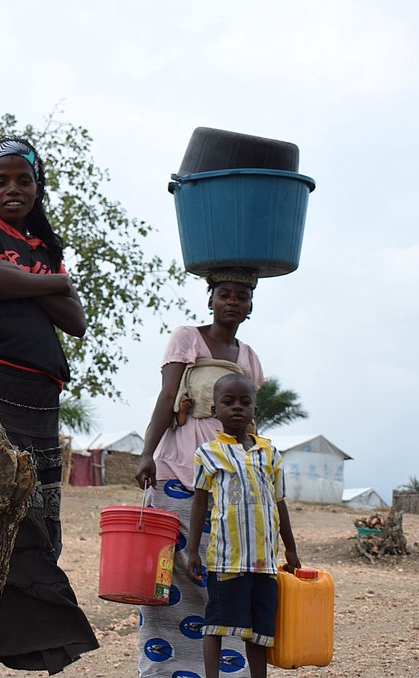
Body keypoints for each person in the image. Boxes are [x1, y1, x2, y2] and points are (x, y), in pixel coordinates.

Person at [0, 138, 98, 674]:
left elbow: (75, 322)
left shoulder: (42, 245)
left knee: (39, 519)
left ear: (38, 187)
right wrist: (52, 282)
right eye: (1, 181)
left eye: (23, 181)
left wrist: (29, 279)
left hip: (41, 394)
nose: (12, 190)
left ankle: (26, 642)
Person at [134, 269, 264, 677]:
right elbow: (167, 396)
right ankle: (164, 668)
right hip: (179, 472)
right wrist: (146, 453)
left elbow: (251, 424)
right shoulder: (187, 337)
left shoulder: (249, 358)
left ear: (250, 306)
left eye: (241, 297)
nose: (232, 302)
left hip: (229, 483)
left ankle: (227, 670)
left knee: (225, 575)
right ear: (210, 299)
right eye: (224, 294)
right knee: (169, 574)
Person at [187, 373, 300, 678]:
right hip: (227, 561)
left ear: (254, 410)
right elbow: (199, 504)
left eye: (245, 401)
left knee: (258, 631)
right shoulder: (208, 454)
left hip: (264, 562)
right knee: (216, 624)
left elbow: (280, 503)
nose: (237, 407)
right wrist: (192, 551)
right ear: (214, 411)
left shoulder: (270, 454)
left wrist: (290, 548)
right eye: (228, 401)